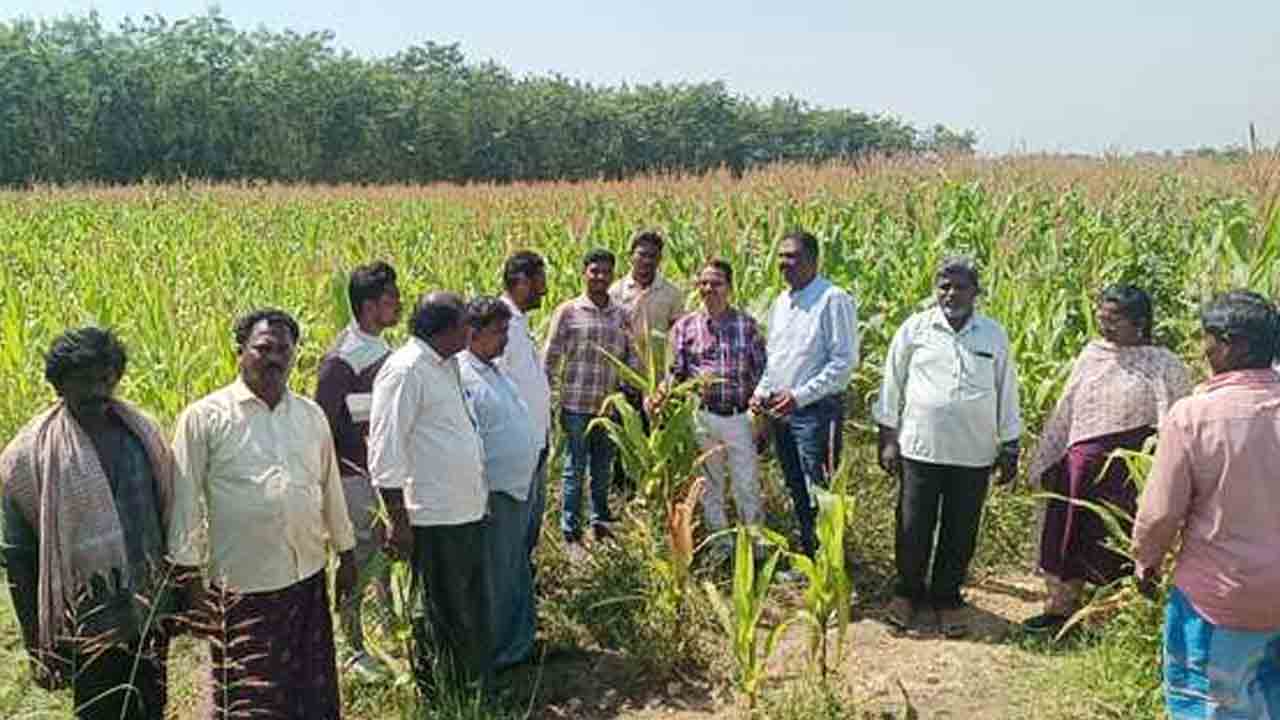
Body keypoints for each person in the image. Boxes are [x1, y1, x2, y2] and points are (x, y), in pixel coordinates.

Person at [169, 309, 357, 720]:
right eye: (263, 348)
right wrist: (190, 583)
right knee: (250, 700)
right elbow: (184, 504)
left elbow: (330, 488)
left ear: (294, 355)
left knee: (310, 693)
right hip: (241, 587)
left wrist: (346, 552)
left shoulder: (310, 416)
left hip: (306, 578)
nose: (274, 358)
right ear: (239, 352)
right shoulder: (204, 418)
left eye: (283, 350)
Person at [1, 328, 178, 720]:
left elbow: (168, 517)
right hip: (85, 622)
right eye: (85, 380)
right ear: (60, 384)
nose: (99, 389)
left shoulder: (141, 434)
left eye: (106, 377)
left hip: (148, 610)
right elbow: (18, 558)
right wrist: (37, 645)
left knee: (152, 705)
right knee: (100, 710)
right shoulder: (28, 458)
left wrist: (179, 595)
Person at [1132, 290, 1280, 719]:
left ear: (1234, 345)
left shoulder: (1194, 416)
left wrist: (1146, 561)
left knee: (1210, 705)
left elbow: (1160, 514)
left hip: (1220, 598)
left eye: (1208, 338)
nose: (1203, 348)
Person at [1022, 285, 1191, 633]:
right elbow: (1067, 410)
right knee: (1067, 534)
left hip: (1126, 475)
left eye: (1114, 319)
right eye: (1101, 315)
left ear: (1140, 322)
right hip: (1080, 468)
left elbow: (1175, 418)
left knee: (1114, 539)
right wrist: (1051, 456)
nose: (1105, 324)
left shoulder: (1163, 363)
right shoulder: (1092, 354)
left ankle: (1109, 617)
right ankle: (1059, 610)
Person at [873, 256, 1021, 638]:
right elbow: (892, 382)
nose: (951, 293)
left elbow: (1007, 390)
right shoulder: (915, 329)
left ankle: (947, 598)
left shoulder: (993, 335)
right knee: (912, 525)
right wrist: (887, 437)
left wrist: (1010, 445)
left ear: (976, 292)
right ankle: (907, 593)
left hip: (973, 453)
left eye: (960, 287)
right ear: (935, 288)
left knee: (960, 529)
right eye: (944, 285)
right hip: (920, 447)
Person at [368, 292, 493, 693]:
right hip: (433, 515)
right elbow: (386, 450)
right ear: (443, 330)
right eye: (463, 323)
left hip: (464, 510)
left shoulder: (446, 364)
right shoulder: (405, 370)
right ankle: (440, 694)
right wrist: (399, 521)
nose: (470, 331)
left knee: (464, 607)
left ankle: (466, 686)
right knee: (438, 611)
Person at [314, 260, 401, 678]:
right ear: (368, 307)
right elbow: (323, 430)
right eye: (390, 299)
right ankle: (352, 647)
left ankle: (390, 636)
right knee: (353, 558)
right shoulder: (342, 360)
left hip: (383, 476)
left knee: (386, 556)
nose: (398, 305)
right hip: (354, 480)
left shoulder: (385, 351)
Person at [749, 230, 858, 559]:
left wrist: (800, 396)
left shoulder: (832, 298)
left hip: (816, 413)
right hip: (782, 411)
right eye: (781, 256)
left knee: (820, 490)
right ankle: (811, 557)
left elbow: (843, 363)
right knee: (796, 486)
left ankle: (831, 563)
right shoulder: (782, 302)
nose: (784, 263)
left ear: (814, 260)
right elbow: (777, 359)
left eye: (792, 256)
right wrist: (761, 393)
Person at [657, 259, 767, 562]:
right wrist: (661, 393)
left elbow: (762, 373)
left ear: (729, 287)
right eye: (703, 283)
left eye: (716, 283)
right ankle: (721, 547)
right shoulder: (685, 327)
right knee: (711, 484)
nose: (709, 289)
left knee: (746, 483)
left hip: (739, 417)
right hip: (703, 417)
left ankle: (755, 548)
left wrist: (763, 419)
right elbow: (675, 372)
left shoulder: (747, 325)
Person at [459, 296, 541, 670]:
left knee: (513, 568)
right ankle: (496, 654)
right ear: (473, 334)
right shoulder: (462, 375)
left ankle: (519, 643)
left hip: (517, 488)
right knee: (496, 575)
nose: (505, 339)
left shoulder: (492, 368)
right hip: (493, 494)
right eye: (499, 331)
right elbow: (468, 442)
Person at [544, 248, 639, 548]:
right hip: (575, 405)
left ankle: (600, 521)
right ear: (584, 273)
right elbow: (550, 356)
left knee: (602, 467)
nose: (599, 277)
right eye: (594, 271)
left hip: (608, 407)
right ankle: (571, 529)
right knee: (574, 468)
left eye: (605, 272)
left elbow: (632, 357)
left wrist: (630, 391)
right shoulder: (568, 311)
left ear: (613, 275)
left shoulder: (622, 315)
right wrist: (545, 396)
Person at [609, 230, 685, 493]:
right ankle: (624, 494)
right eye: (641, 254)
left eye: (652, 256)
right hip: (624, 378)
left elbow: (677, 336)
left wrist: (670, 378)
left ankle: (654, 492)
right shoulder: (616, 291)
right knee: (624, 439)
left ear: (660, 259)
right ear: (631, 256)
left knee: (657, 437)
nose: (646, 261)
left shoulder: (672, 294)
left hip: (659, 383)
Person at [495, 252, 552, 571]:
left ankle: (521, 582)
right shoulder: (501, 325)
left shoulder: (518, 322)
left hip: (534, 445)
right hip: (518, 450)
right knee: (515, 531)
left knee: (528, 527)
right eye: (540, 281)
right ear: (520, 282)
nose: (544, 290)